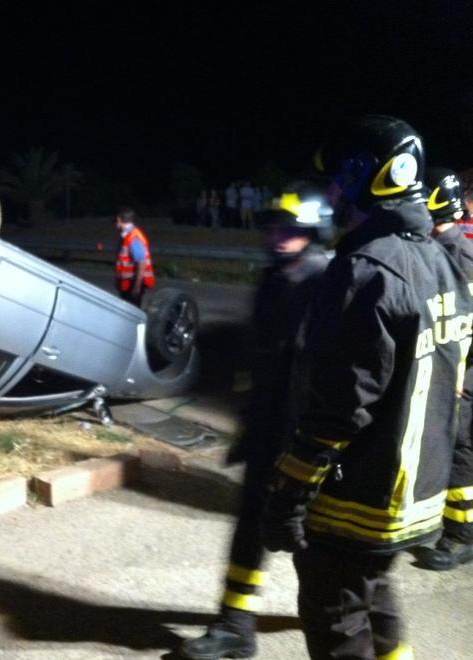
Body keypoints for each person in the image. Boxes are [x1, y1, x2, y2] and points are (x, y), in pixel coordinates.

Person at [261, 115, 473, 659]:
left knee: (337, 620)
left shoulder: (364, 270)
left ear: (365, 178)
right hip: (417, 496)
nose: (331, 191)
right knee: (376, 598)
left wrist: (288, 497)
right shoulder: (440, 261)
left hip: (357, 500)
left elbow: (339, 407)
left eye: (338, 178)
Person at [181, 183, 331, 660]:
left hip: (308, 436)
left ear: (313, 230)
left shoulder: (324, 283)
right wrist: (250, 420)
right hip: (268, 430)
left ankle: (332, 619)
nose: (279, 235)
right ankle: (235, 626)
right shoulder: (273, 279)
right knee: (250, 527)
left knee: (315, 538)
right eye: (273, 227)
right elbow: (261, 358)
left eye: (291, 228)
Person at [413, 167, 473, 570]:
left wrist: (456, 378)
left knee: (463, 443)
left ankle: (462, 532)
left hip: (466, 367)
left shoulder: (460, 253)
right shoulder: (441, 245)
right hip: (454, 363)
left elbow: (464, 320)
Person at [114, 207, 155, 305]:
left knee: (132, 311)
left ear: (119, 220)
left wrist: (136, 287)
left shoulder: (133, 237)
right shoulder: (128, 235)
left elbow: (141, 262)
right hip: (129, 282)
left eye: (116, 221)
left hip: (133, 283)